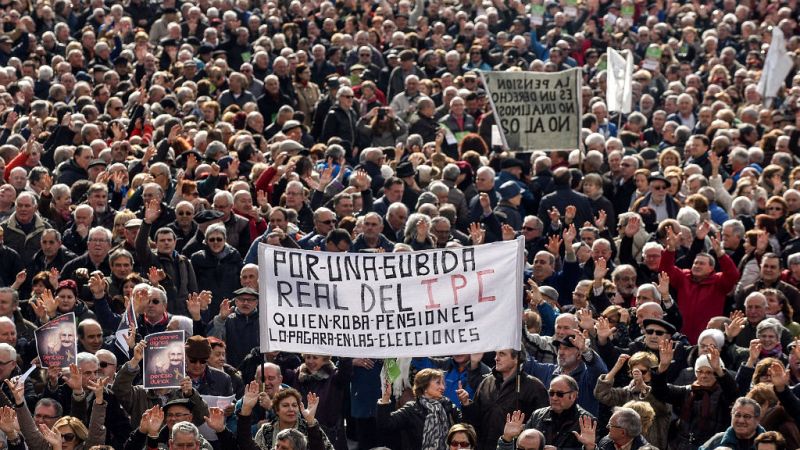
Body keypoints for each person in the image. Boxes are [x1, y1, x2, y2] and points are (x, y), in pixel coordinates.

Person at [376, 368, 462, 450]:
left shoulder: (447, 404)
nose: (443, 387)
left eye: (443, 383)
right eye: (438, 383)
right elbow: (385, 425)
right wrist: (385, 399)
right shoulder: (412, 409)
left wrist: (465, 403)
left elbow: (466, 424)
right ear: (424, 387)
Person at [699, 397, 766, 450]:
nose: (741, 421)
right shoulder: (718, 440)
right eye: (737, 415)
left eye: (747, 416)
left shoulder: (770, 443)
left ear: (757, 419)